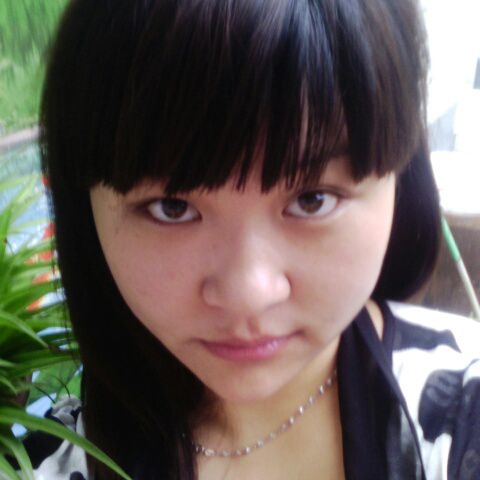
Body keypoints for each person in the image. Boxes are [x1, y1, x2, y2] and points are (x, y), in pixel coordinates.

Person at [25, 0, 480, 478]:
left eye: (312, 200)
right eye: (172, 207)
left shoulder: (461, 419)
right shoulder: (53, 461)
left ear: (397, 179)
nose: (248, 294)